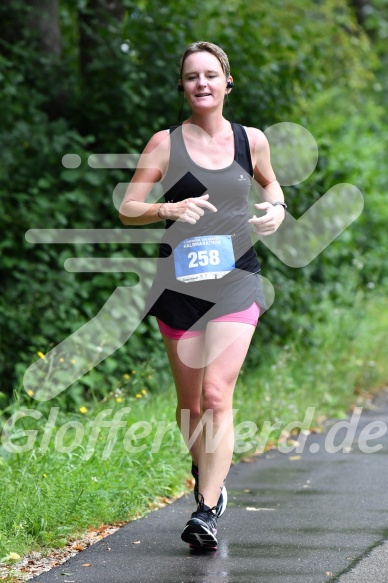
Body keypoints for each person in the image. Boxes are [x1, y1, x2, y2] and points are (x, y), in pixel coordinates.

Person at [119, 41, 286, 550]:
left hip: (237, 279)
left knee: (217, 394)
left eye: (211, 75)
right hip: (179, 285)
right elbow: (129, 207)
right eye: (192, 77)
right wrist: (166, 211)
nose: (202, 84)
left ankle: (207, 506)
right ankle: (205, 462)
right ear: (183, 86)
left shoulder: (250, 140)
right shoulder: (165, 144)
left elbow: (271, 187)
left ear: (227, 83)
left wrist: (276, 208)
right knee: (190, 405)